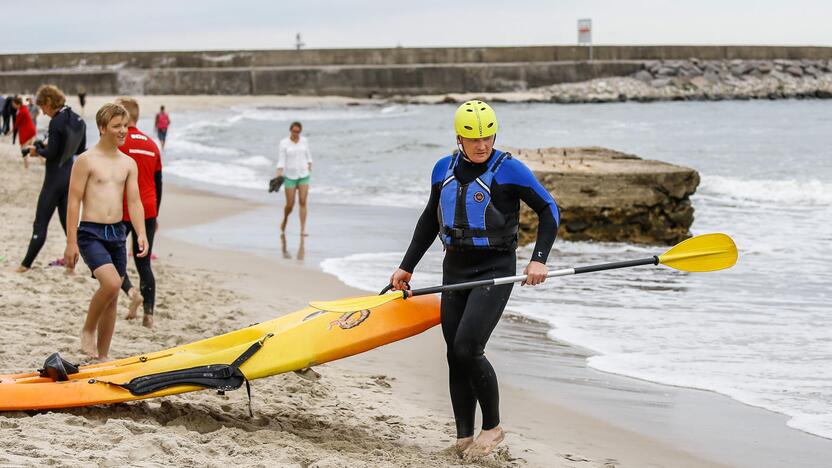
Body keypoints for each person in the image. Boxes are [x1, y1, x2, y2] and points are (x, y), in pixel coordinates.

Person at [388, 101, 560, 459]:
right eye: (473, 138)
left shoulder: (510, 170)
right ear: (459, 138)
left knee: (468, 347)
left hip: (495, 269)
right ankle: (464, 436)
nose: (481, 145)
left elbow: (548, 208)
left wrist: (538, 260)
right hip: (456, 269)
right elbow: (429, 220)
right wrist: (407, 267)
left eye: (487, 137)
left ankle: (493, 428)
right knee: (455, 354)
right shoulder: (442, 169)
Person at [64, 102, 148, 359]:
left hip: (117, 233)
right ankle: (88, 329)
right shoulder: (86, 160)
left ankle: (102, 356)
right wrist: (71, 242)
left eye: (125, 125)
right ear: (102, 128)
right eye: (117, 126)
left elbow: (134, 201)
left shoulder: (128, 163)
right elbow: (73, 201)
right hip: (91, 233)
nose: (123, 131)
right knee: (112, 284)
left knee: (112, 298)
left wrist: (141, 233)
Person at [17, 85, 87, 273]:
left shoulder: (56, 122)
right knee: (69, 229)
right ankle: (71, 268)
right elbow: (81, 151)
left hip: (54, 179)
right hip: (70, 178)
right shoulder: (79, 120)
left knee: (40, 224)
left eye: (43, 107)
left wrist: (36, 150)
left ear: (49, 102)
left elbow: (52, 153)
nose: (44, 113)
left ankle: (24, 266)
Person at [114, 97, 163, 328]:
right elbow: (158, 183)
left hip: (122, 210)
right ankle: (149, 315)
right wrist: (155, 216)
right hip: (148, 210)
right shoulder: (152, 145)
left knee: (114, 261)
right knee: (144, 264)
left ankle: (131, 293)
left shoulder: (117, 143)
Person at [275, 121, 312, 236]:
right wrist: (279, 173)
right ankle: (285, 218)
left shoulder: (304, 141)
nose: (296, 133)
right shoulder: (283, 143)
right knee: (290, 205)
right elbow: (281, 160)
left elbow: (309, 156)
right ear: (290, 130)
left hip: (303, 175)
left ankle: (302, 230)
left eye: (298, 132)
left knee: (303, 201)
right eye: (294, 131)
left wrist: (309, 166)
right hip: (290, 176)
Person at [11, 96, 37, 169]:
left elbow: (17, 123)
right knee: (34, 147)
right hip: (30, 130)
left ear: (17, 104)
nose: (12, 105)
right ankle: (42, 161)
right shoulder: (23, 108)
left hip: (27, 131)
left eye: (13, 104)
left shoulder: (22, 111)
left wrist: (11, 131)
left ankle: (26, 166)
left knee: (24, 149)